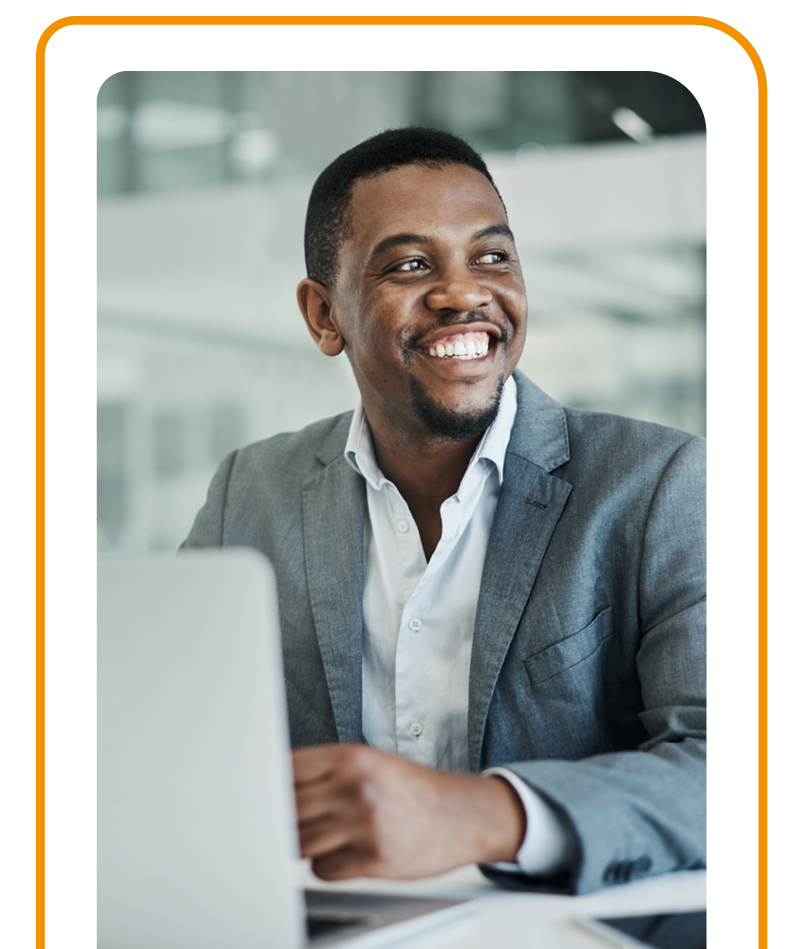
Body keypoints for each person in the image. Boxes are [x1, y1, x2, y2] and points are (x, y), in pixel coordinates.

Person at [182, 127, 706, 895]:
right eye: (410, 265)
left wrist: (489, 815)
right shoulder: (248, 492)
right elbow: (167, 740)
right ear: (324, 315)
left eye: (491, 257)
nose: (465, 292)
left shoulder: (660, 484)